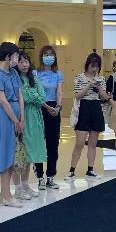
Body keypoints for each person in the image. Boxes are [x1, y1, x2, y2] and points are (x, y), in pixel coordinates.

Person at [0, 41, 24, 207]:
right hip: (5, 118)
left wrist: (22, 117)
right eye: (16, 56)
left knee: (13, 154)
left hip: (17, 116)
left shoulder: (14, 73)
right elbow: (3, 101)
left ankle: (4, 193)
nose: (18, 59)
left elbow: (20, 95)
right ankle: (6, 195)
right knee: (6, 154)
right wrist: (15, 120)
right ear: (8, 56)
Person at [66, 52, 108, 180]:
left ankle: (90, 170)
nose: (94, 69)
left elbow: (104, 97)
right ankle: (71, 170)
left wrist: (99, 88)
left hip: (96, 108)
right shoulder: (79, 77)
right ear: (87, 65)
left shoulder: (101, 79)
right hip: (83, 108)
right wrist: (89, 85)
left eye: (96, 66)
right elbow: (77, 95)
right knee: (79, 142)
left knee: (93, 143)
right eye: (92, 66)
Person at [13, 51, 47, 200]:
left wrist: (31, 94)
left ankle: (25, 184)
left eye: (26, 61)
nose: (24, 64)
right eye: (20, 61)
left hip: (36, 119)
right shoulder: (15, 79)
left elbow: (42, 97)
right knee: (20, 153)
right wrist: (33, 95)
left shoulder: (34, 78)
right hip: (22, 117)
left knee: (30, 154)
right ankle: (18, 188)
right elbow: (23, 97)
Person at [34, 45, 63, 189]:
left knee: (53, 144)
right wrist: (47, 107)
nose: (49, 57)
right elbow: (35, 93)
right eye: (46, 54)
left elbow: (59, 92)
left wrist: (58, 107)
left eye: (51, 54)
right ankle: (40, 177)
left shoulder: (58, 74)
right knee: (39, 143)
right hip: (40, 108)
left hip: (54, 110)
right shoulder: (35, 73)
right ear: (41, 57)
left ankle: (51, 176)